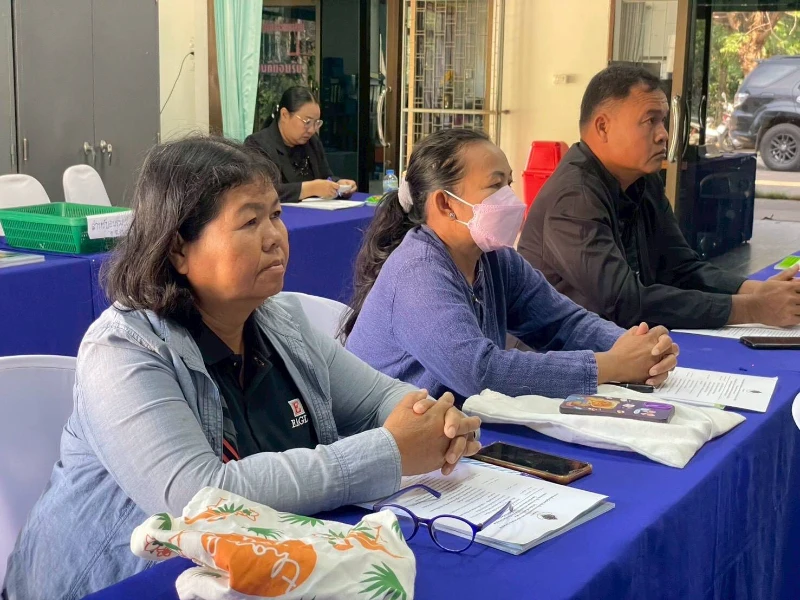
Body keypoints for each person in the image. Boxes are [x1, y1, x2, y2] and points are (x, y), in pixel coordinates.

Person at [3, 137, 480, 599]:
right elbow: (199, 498)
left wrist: (435, 422)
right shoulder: (124, 350)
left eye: (275, 215)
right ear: (178, 249)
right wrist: (387, 451)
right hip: (120, 585)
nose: (275, 237)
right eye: (250, 221)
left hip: (252, 573)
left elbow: (381, 398)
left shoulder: (279, 321)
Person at [341, 128, 679, 404]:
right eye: (495, 185)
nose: (510, 199)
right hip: (392, 444)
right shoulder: (417, 272)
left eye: (509, 183)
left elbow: (562, 322)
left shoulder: (493, 258)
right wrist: (609, 365)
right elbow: (480, 373)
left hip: (455, 431)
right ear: (445, 204)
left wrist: (636, 346)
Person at [518, 64, 800, 330]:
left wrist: (757, 291)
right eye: (650, 121)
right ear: (603, 127)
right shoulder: (574, 197)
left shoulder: (642, 181)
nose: (663, 134)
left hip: (622, 343)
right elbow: (624, 302)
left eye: (663, 121)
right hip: (559, 354)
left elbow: (681, 268)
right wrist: (753, 309)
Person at [245, 86, 357, 203]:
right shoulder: (257, 144)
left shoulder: (312, 142)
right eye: (307, 122)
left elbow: (326, 176)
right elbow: (261, 191)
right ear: (284, 115)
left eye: (316, 123)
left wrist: (339, 184)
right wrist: (310, 189)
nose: (312, 130)